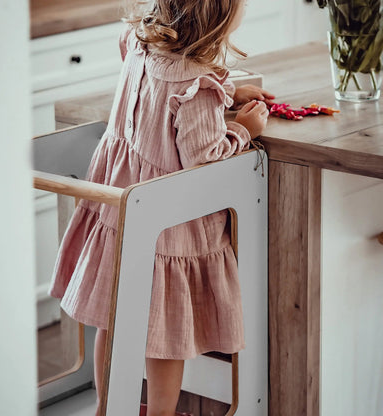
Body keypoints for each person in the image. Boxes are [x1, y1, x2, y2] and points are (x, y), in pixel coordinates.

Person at [49, 0, 274, 415]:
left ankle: (107, 406)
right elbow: (204, 156)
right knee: (165, 335)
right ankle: (161, 413)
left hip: (120, 206)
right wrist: (243, 128)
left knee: (113, 318)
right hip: (168, 226)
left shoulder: (138, 44)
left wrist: (224, 92)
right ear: (218, 20)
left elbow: (161, 92)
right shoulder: (196, 85)